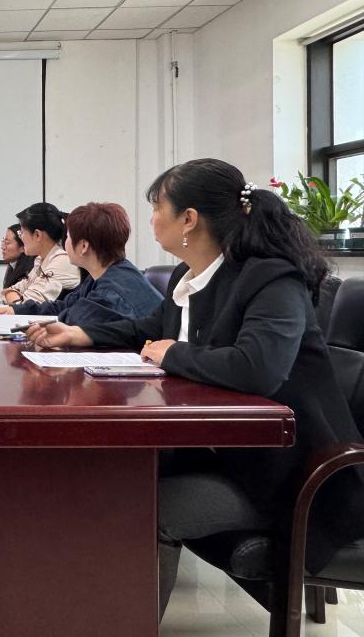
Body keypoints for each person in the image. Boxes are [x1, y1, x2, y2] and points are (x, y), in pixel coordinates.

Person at [26, 158, 364, 618]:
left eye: (157, 208)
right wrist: (81, 335)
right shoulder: (189, 278)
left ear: (189, 219)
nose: (151, 219)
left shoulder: (271, 277)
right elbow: (148, 329)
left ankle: (122, 622)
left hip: (283, 475)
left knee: (136, 506)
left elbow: (258, 367)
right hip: (217, 452)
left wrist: (172, 354)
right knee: (101, 476)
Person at [0, 202, 161, 324]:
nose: (64, 242)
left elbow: (76, 318)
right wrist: (16, 310)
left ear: (83, 246)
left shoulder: (112, 290)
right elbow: (64, 306)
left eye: (68, 237)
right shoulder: (103, 275)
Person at [0, 203, 81, 305]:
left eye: (22, 232)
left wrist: (15, 300)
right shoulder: (40, 260)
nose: (21, 238)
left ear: (37, 235)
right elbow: (7, 292)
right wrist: (13, 296)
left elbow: (26, 306)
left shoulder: (61, 261)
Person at [1, 223, 34, 289]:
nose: (3, 247)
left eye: (7, 243)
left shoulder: (29, 273)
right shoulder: (13, 266)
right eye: (3, 242)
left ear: (22, 247)